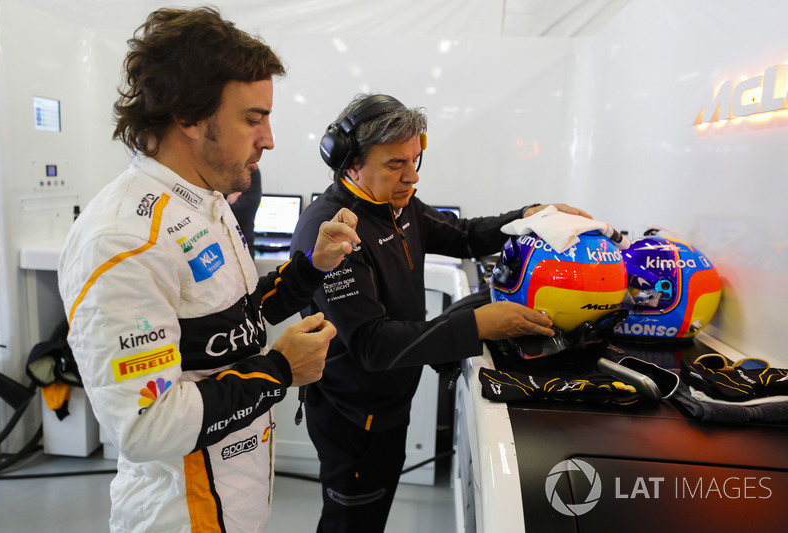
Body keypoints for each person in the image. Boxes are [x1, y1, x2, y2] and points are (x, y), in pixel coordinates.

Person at [57, 7, 358, 533]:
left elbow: (236, 319)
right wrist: (281, 371)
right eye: (252, 118)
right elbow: (147, 423)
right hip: (182, 516)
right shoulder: (123, 240)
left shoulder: (205, 203)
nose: (268, 139)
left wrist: (312, 269)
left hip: (238, 499)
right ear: (189, 116)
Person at [290, 93, 589, 532]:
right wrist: (477, 325)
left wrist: (530, 216)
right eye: (396, 164)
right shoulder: (331, 231)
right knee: (351, 522)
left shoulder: (400, 204)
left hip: (390, 402)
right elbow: (371, 345)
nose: (411, 176)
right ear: (350, 163)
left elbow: (465, 235)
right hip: (353, 416)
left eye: (416, 160)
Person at [226, 168, 263, 258]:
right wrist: (226, 205)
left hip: (244, 248)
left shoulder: (250, 170)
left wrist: (221, 205)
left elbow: (242, 214)